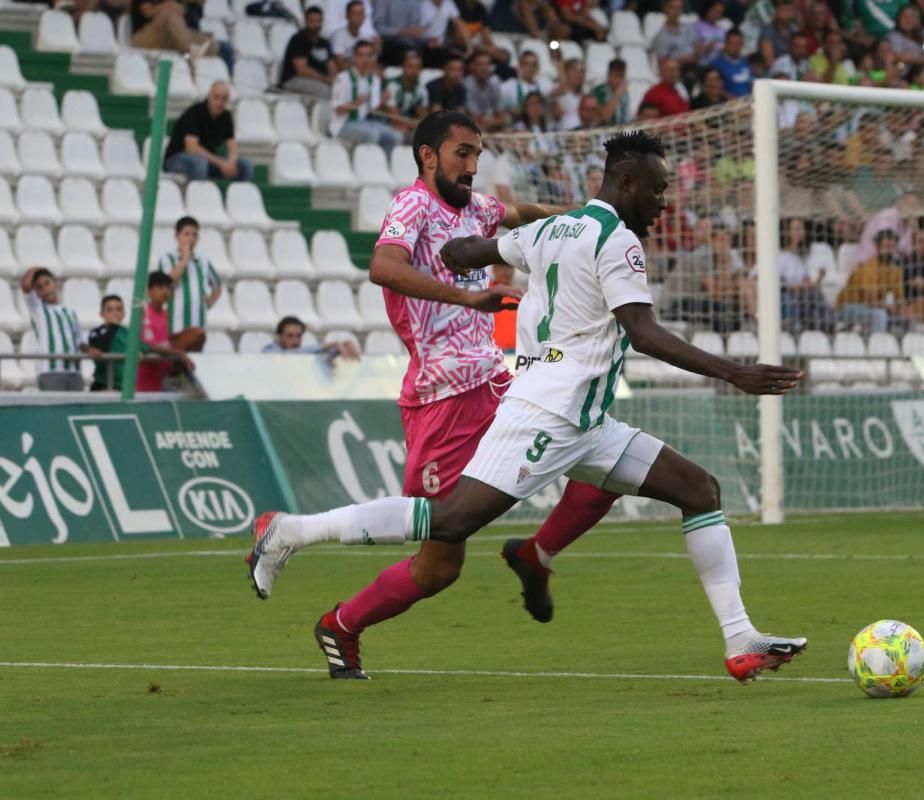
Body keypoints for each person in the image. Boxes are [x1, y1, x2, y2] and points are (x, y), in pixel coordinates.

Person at [247, 130, 808, 683]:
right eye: (657, 191)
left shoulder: (551, 230)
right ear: (627, 183)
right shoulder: (618, 241)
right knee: (449, 523)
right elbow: (642, 333)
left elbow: (467, 249)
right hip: (548, 411)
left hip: (584, 419)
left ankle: (739, 637)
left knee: (698, 489)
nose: (663, 204)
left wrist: (462, 249)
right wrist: (734, 370)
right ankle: (291, 531)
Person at [247, 111, 628, 672]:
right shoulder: (412, 205)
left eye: (477, 155)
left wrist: (589, 222)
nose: (472, 166)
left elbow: (521, 213)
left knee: (603, 465)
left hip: (496, 381)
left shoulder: (476, 209)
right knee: (439, 563)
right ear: (429, 156)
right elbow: (383, 266)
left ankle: (534, 555)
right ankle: (317, 582)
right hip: (443, 395)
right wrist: (465, 298)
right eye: (462, 154)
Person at [154, 216, 222, 354]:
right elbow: (167, 282)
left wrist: (210, 301)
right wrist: (185, 258)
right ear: (177, 236)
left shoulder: (202, 261)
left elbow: (217, 285)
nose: (190, 238)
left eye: (194, 235)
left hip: (198, 321)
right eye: (186, 234)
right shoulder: (168, 258)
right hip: (174, 324)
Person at [163, 82, 253, 182]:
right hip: (177, 159)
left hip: (207, 160)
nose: (220, 102)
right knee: (200, 164)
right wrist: (221, 163)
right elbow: (192, 148)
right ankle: (199, 196)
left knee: (245, 165)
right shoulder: (195, 113)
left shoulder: (226, 116)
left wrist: (230, 163)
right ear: (209, 96)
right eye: (216, 97)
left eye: (224, 98)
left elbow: (233, 146)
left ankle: (236, 196)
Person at [21, 267, 86, 391]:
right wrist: (36, 269)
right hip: (51, 370)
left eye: (47, 283)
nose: (45, 289)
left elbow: (79, 341)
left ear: (55, 284)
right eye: (39, 287)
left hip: (74, 371)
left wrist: (91, 350)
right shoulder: (38, 310)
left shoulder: (70, 312)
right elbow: (25, 287)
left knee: (76, 410)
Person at [330, 40, 403, 147]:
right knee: (373, 135)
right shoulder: (342, 78)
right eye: (361, 55)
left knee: (396, 136)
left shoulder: (374, 80)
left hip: (365, 122)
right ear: (354, 57)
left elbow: (373, 109)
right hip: (342, 124)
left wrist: (383, 101)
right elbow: (338, 110)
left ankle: (385, 162)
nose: (365, 59)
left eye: (369, 55)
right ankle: (369, 163)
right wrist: (355, 104)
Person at [837, 229, 905, 333]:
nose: (890, 251)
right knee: (879, 315)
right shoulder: (869, 266)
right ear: (877, 248)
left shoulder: (896, 270)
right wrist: (889, 307)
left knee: (908, 319)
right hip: (848, 306)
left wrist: (901, 311)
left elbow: (900, 300)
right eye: (886, 247)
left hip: (873, 308)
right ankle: (878, 347)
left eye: (892, 247)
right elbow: (871, 300)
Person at [137, 272, 196, 392]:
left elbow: (167, 340)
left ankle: (177, 375)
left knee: (198, 334)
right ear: (149, 291)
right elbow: (149, 347)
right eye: (160, 288)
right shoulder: (143, 314)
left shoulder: (166, 315)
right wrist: (179, 353)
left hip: (164, 375)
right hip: (147, 383)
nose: (165, 292)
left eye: (168, 288)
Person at [279, 6, 337, 98]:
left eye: (318, 21)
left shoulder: (324, 43)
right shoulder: (298, 39)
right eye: (312, 21)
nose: (315, 25)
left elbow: (331, 66)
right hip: (295, 79)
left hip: (319, 80)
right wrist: (324, 79)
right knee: (326, 92)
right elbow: (302, 69)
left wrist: (333, 78)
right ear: (305, 21)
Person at [130, 0, 216, 60]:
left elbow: (182, 9)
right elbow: (147, 12)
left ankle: (193, 51)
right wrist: (168, 6)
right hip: (144, 38)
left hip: (170, 38)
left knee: (209, 41)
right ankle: (189, 51)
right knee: (171, 16)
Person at [382, 49, 431, 140]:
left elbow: (424, 117)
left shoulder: (421, 89)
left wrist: (416, 124)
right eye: (410, 66)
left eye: (417, 67)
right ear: (403, 67)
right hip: (386, 123)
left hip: (407, 125)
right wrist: (414, 124)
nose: (414, 70)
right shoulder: (393, 86)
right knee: (399, 135)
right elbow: (394, 118)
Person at [264, 316, 362, 360]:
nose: (295, 340)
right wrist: (327, 346)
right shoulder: (269, 351)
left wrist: (338, 349)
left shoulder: (303, 353)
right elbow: (286, 356)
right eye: (290, 336)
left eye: (299, 336)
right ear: (279, 336)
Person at [87, 294, 127, 391]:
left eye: (118, 309)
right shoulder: (96, 332)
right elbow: (100, 348)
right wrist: (113, 327)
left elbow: (145, 347)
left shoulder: (128, 333)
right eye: (110, 310)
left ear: (123, 313)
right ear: (102, 314)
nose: (115, 313)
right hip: (102, 385)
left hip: (123, 387)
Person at [463, 49, 508, 132]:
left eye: (487, 64)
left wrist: (494, 121)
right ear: (472, 67)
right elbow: (475, 117)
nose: (484, 68)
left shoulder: (494, 82)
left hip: (488, 122)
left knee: (506, 128)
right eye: (480, 65)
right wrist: (495, 121)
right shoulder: (467, 84)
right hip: (469, 125)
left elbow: (502, 115)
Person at [330, 0, 380, 71]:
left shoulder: (366, 37)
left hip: (362, 71)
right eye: (355, 13)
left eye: (361, 13)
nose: (358, 17)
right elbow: (340, 65)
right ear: (347, 16)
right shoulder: (338, 36)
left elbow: (371, 62)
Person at [502, 50, 552, 117]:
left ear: (538, 68)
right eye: (526, 64)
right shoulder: (509, 85)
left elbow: (562, 90)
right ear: (519, 66)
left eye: (534, 65)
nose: (530, 68)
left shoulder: (543, 86)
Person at [709, 29, 753, 98]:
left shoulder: (745, 62)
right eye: (732, 44)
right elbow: (714, 88)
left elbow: (750, 83)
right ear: (725, 44)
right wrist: (733, 99)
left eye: (739, 44)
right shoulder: (717, 64)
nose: (736, 47)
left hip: (748, 102)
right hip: (729, 104)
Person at [589, 58, 630, 127]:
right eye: (616, 75)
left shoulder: (624, 93)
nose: (619, 79)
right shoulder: (599, 91)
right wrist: (616, 95)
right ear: (609, 75)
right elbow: (605, 116)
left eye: (621, 76)